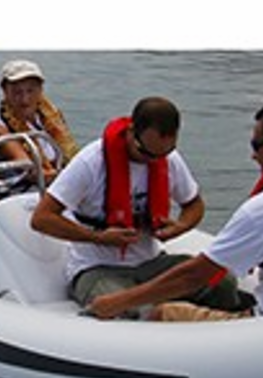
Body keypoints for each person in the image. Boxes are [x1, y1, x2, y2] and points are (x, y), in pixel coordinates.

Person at [87, 98, 263, 321]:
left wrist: (117, 302)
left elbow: (195, 275)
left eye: (256, 145)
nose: (252, 155)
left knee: (163, 313)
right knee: (223, 287)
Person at [30, 96, 242, 316]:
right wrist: (99, 237)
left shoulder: (167, 158)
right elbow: (42, 218)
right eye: (147, 153)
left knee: (223, 283)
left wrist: (180, 226)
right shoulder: (91, 162)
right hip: (97, 268)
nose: (154, 161)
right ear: (131, 132)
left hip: (151, 262)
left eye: (163, 153)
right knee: (132, 310)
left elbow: (194, 205)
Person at [0, 59, 79, 184]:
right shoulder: (0, 127)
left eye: (30, 91)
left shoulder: (53, 116)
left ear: (40, 90)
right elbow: (27, 167)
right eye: (17, 92)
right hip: (25, 188)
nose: (25, 100)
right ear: (5, 92)